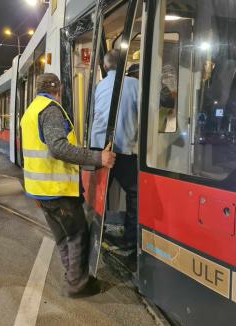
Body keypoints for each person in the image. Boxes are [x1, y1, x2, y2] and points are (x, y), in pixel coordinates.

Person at [21, 73, 116, 297]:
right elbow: (59, 148)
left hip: (41, 190)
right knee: (77, 235)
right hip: (57, 190)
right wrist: (97, 158)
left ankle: (71, 275)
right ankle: (78, 284)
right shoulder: (51, 110)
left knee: (63, 237)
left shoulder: (31, 111)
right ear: (59, 90)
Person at [90, 49, 139, 254]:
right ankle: (130, 239)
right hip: (122, 149)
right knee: (135, 194)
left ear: (106, 66)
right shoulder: (135, 84)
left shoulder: (100, 85)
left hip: (98, 148)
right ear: (125, 65)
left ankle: (92, 235)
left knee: (97, 194)